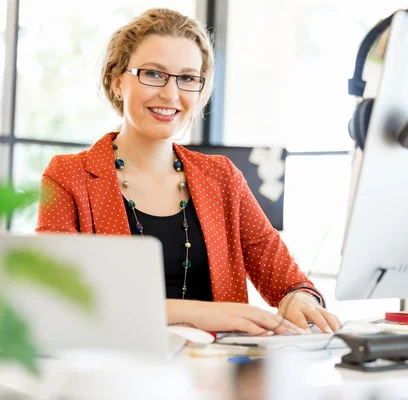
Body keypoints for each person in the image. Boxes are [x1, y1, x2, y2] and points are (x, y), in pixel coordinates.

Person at [36, 8, 341, 335]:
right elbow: (55, 299)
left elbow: (288, 280)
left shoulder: (223, 177)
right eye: (153, 74)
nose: (170, 94)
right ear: (116, 83)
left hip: (217, 373)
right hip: (117, 374)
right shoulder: (69, 176)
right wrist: (200, 314)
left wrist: (300, 298)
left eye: (187, 78)